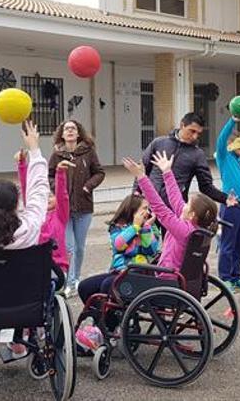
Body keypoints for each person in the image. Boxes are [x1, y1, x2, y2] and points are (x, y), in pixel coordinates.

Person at [0, 119, 72, 357]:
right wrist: (34, 148)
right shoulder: (32, 224)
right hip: (27, 302)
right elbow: (39, 188)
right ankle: (21, 339)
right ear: (17, 204)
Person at [74, 194, 160, 351]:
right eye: (143, 209)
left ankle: (104, 329)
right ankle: (103, 324)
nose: (147, 212)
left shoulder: (148, 227)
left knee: (109, 285)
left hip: (139, 275)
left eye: (148, 209)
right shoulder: (117, 227)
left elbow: (152, 249)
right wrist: (134, 227)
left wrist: (145, 227)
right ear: (132, 210)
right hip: (119, 272)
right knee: (85, 286)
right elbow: (119, 245)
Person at [124, 151, 220, 275]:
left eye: (188, 204)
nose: (183, 204)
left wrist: (141, 177)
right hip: (178, 276)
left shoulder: (184, 231)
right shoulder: (195, 228)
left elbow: (159, 208)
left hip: (167, 277)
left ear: (192, 215)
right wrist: (167, 171)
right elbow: (176, 199)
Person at [49, 120, 106, 298]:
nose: (70, 131)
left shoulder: (88, 152)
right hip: (63, 209)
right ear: (62, 134)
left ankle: (76, 277)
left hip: (84, 207)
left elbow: (99, 172)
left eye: (73, 128)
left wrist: (88, 186)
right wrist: (57, 188)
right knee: (69, 247)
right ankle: (71, 283)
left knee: (80, 247)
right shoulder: (57, 155)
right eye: (66, 129)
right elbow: (49, 175)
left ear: (78, 133)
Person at [137, 112, 228, 207]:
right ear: (182, 125)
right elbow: (141, 171)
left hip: (175, 210)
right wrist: (136, 194)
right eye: (192, 131)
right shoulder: (159, 143)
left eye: (198, 133)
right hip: (149, 206)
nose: (195, 136)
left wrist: (225, 199)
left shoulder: (198, 155)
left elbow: (206, 186)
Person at [17, 150, 70, 271]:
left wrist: (60, 173)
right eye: (44, 196)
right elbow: (27, 190)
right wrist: (22, 165)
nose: (47, 199)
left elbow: (62, 195)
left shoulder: (60, 215)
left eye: (50, 195)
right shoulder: (33, 214)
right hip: (36, 263)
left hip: (57, 266)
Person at [215, 116, 240, 291]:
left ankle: (236, 276)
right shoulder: (224, 158)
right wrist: (232, 120)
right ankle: (225, 278)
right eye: (238, 144)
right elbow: (221, 140)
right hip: (230, 207)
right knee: (227, 243)